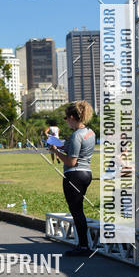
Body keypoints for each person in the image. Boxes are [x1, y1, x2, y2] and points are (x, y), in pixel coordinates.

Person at [52, 101, 96, 256]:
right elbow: (73, 147)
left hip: (74, 175)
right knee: (79, 210)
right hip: (86, 173)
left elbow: (71, 161)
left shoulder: (77, 135)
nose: (66, 122)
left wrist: (55, 152)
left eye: (66, 118)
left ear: (72, 117)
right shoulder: (90, 132)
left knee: (77, 211)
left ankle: (83, 246)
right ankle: (83, 244)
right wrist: (57, 144)